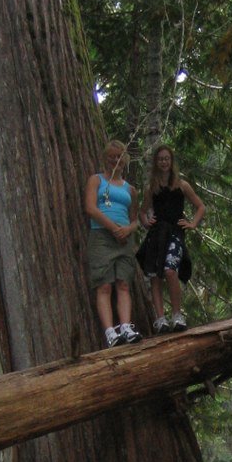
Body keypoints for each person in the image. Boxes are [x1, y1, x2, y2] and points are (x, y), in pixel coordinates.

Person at [138, 144, 205, 333]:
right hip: (156, 234)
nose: (164, 162)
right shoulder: (152, 187)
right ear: (156, 162)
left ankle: (177, 314)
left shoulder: (182, 185)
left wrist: (192, 223)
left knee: (169, 270)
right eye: (160, 159)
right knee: (154, 274)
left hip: (175, 233)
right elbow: (142, 212)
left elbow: (201, 206)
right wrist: (146, 221)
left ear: (171, 161)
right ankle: (160, 319)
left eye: (167, 158)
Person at [84, 139, 142, 347]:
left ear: (125, 159)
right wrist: (112, 227)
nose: (116, 160)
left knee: (124, 284)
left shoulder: (130, 189)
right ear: (105, 158)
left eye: (119, 157)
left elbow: (135, 219)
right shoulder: (96, 180)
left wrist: (127, 229)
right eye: (111, 157)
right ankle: (110, 332)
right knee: (104, 285)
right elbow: (91, 208)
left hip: (124, 240)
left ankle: (126, 327)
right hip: (102, 236)